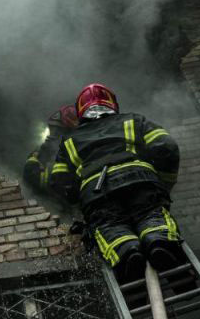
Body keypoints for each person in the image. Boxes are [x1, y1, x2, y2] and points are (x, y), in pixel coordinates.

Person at [48, 84, 181, 282]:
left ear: (82, 110)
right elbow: (167, 147)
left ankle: (127, 253)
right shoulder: (134, 120)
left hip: (97, 193)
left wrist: (78, 204)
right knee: (151, 216)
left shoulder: (69, 140)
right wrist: (164, 182)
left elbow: (59, 181)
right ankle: (159, 243)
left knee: (110, 227)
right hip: (140, 181)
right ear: (112, 104)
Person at [23, 105, 78, 196]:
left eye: (57, 130)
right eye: (52, 130)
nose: (53, 134)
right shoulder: (43, 151)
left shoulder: (76, 149)